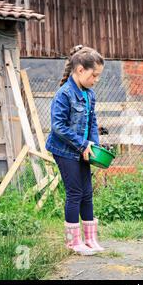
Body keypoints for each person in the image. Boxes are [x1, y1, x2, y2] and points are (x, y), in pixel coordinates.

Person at [46, 45, 105, 256]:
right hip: (64, 150)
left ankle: (90, 239)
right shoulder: (64, 94)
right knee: (75, 193)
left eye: (98, 76)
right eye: (94, 75)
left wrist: (93, 144)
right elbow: (58, 127)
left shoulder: (89, 94)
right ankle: (73, 242)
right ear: (80, 69)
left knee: (87, 193)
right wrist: (82, 144)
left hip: (84, 149)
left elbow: (92, 121)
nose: (95, 80)